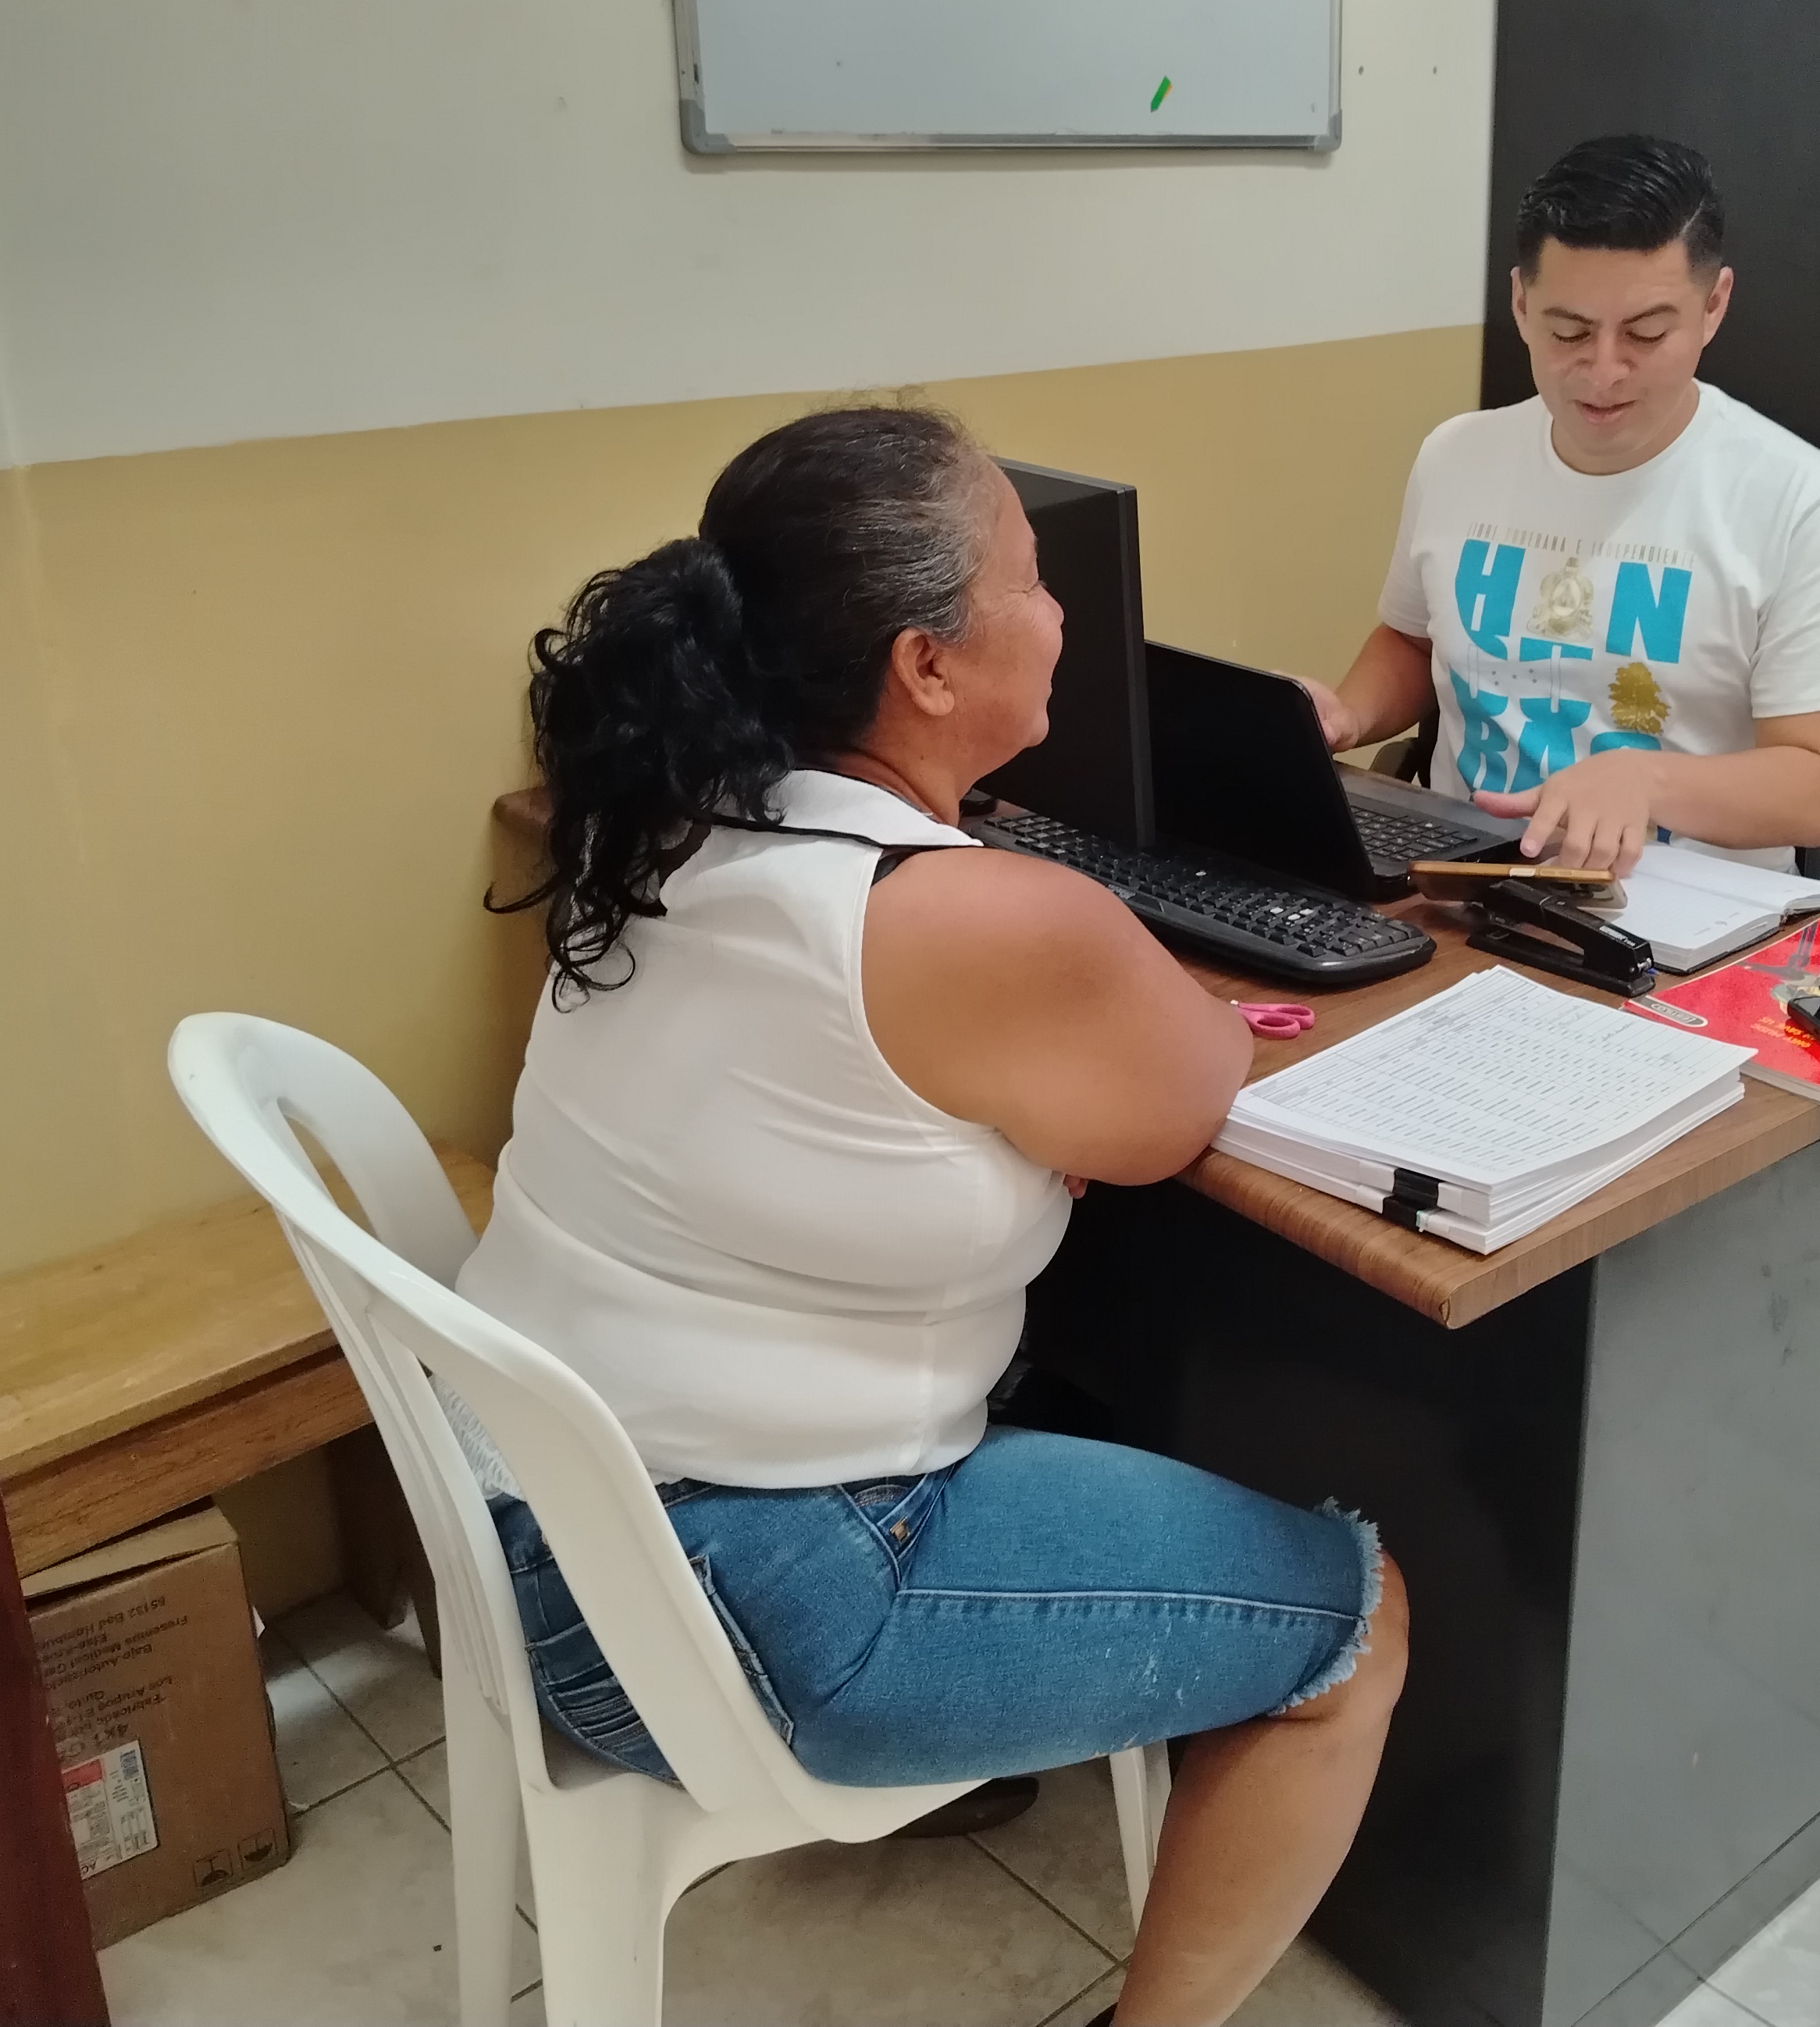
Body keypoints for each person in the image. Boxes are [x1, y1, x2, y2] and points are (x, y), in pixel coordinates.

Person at [461, 406, 1407, 2027]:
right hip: (745, 1608)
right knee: (1359, 1626)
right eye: (1028, 581)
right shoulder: (973, 920)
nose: (1060, 616)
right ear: (926, 666)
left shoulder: (660, 810)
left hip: (541, 1540)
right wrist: (1065, 1062)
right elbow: (1181, 1096)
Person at [1300, 134, 1820, 875]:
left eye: (1647, 333)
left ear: (1714, 306)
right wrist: (1347, 715)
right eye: (1569, 332)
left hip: (1683, 911)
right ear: (1521, 304)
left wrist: (1647, 783)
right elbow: (1414, 642)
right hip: (1462, 881)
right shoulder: (1456, 457)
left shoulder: (1804, 504)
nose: (1603, 370)